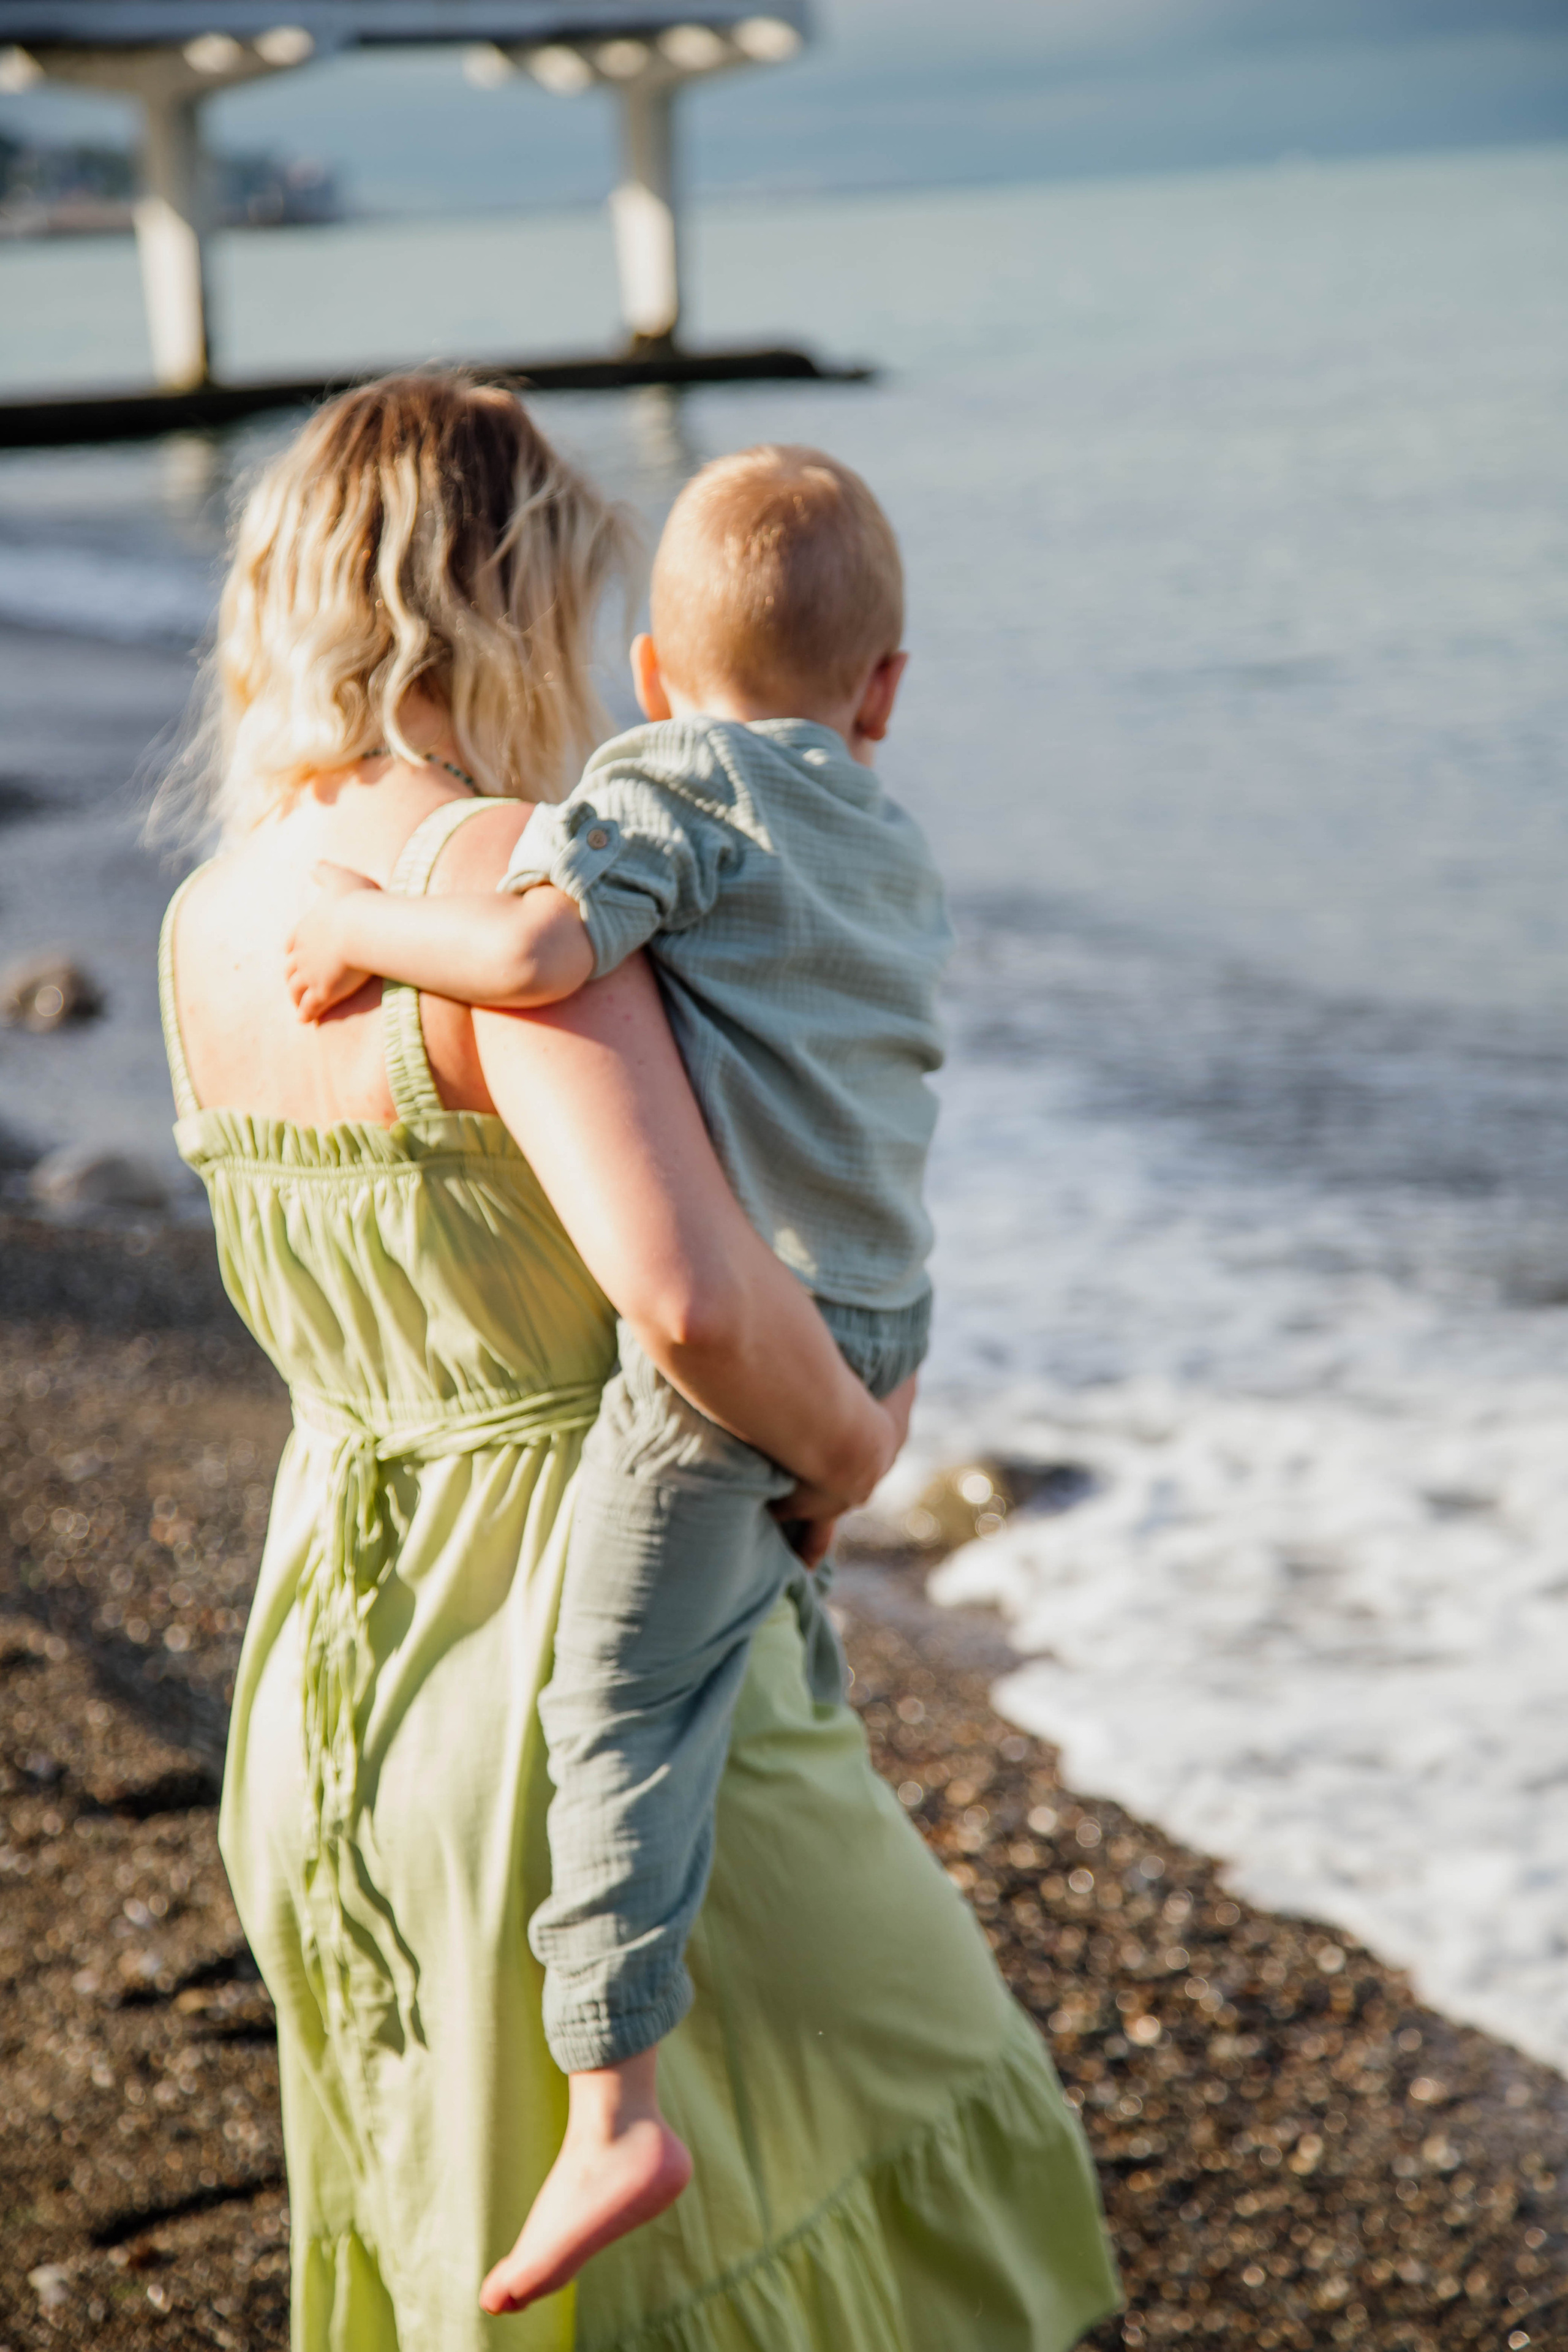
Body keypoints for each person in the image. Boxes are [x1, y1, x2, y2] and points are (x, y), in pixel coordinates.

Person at [158, 371, 1120, 2351]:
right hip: (583, 1660)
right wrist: (850, 1446)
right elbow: (688, 1300)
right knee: (926, 2126)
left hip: (329, 1686)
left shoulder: (210, 918)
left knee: (471, 2250)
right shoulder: (504, 873)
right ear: (505, 599)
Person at [283, 442, 950, 2309]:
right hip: (889, 1314)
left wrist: (354, 925)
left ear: (651, 675)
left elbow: (529, 945)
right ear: (885, 691)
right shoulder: (890, 838)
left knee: (616, 1700)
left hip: (753, 1333)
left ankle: (616, 2111)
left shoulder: (671, 784)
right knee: (749, 1626)